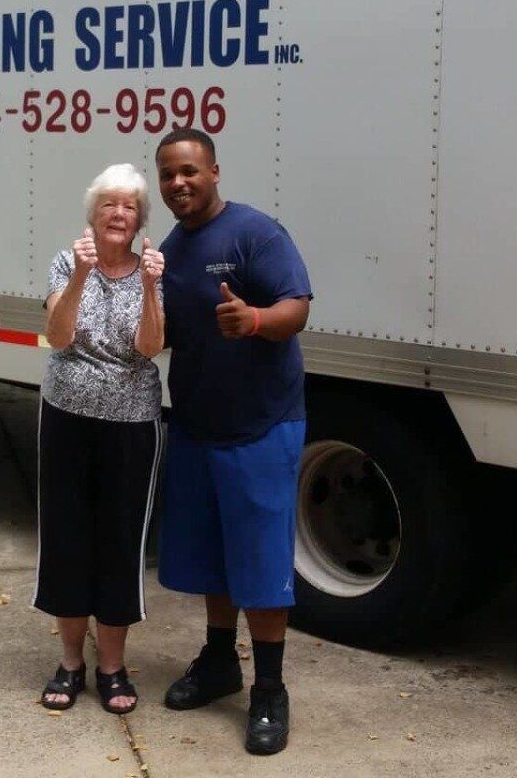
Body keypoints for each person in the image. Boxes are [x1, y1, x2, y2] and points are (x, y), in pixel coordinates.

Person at [152, 128, 312, 756]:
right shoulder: (170, 249)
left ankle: (269, 689)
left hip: (261, 426)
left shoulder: (255, 234)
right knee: (214, 552)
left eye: (189, 171)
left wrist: (255, 321)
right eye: (167, 174)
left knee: (261, 561)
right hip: (196, 425)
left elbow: (296, 308)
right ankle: (220, 663)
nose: (178, 184)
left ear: (214, 171)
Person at [34, 163, 167, 714]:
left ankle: (112, 668)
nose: (119, 214)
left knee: (119, 540)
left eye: (130, 206)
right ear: (92, 214)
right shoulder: (67, 263)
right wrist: (82, 277)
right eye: (110, 204)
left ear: (140, 220)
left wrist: (154, 289)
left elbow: (151, 348)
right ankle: (70, 662)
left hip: (131, 424)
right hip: (66, 416)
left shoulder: (153, 271)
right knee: (67, 536)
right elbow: (58, 337)